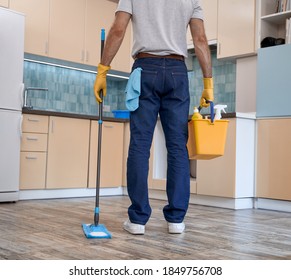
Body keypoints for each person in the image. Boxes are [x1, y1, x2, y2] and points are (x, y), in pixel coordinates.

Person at [93, 0, 213, 235]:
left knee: (140, 144)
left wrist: (102, 69)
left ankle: (138, 220)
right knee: (177, 146)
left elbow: (118, 30)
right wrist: (208, 83)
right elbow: (200, 40)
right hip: (178, 72)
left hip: (145, 68)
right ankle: (176, 220)